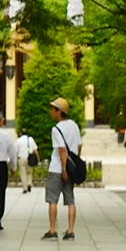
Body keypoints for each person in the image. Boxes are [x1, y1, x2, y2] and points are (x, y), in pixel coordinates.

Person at [42, 97, 84, 241]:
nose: (51, 112)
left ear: (59, 112)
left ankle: (53, 230)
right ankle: (70, 231)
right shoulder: (74, 125)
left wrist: (64, 169)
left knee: (52, 200)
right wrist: (73, 166)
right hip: (70, 169)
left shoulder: (56, 129)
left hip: (57, 168)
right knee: (70, 200)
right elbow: (79, 146)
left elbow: (61, 150)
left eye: (53, 109)